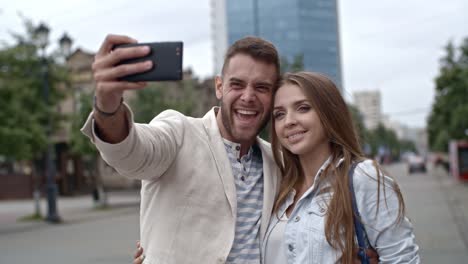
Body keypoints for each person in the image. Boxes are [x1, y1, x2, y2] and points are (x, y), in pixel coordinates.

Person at [82, 34, 282, 263]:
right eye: (237, 84)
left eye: (262, 87)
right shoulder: (179, 133)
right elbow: (130, 153)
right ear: (219, 87)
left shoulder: (277, 161)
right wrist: (107, 106)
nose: (248, 97)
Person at [263, 71, 420, 263]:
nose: (289, 121)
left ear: (329, 113)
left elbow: (402, 259)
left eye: (303, 108)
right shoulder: (277, 185)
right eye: (279, 114)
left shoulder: (362, 177)